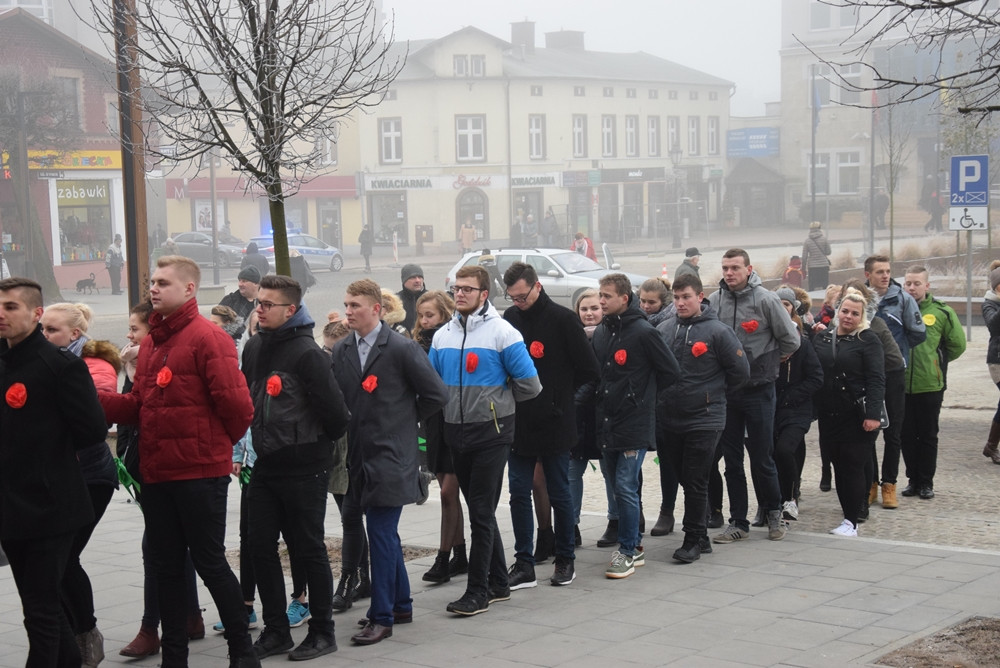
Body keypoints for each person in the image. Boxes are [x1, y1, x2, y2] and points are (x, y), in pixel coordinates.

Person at [97, 256, 260, 668]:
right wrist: (94, 402)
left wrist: (216, 449)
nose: (154, 288)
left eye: (164, 282)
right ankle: (175, 657)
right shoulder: (152, 342)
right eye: (152, 281)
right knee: (166, 567)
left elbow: (239, 408)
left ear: (189, 289)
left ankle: (242, 652)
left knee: (210, 563)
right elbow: (140, 404)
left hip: (200, 475)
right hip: (158, 473)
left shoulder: (209, 338)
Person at [0, 278, 109, 667]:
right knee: (38, 608)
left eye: (11, 307)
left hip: (52, 506)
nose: (2, 314)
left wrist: (45, 454)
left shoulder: (60, 365)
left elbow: (92, 430)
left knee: (43, 610)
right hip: (11, 508)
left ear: (36, 313)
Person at [332, 279, 448, 644]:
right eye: (346, 305)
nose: (348, 311)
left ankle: (381, 617)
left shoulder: (400, 348)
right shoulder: (342, 350)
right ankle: (401, 603)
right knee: (385, 535)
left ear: (376, 310)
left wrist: (402, 420)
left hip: (392, 456)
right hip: (358, 457)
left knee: (381, 533)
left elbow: (435, 394)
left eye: (355, 306)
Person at [241, 274, 350, 661]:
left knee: (307, 549)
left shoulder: (308, 353)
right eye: (258, 302)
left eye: (267, 304)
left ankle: (323, 631)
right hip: (265, 465)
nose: (259, 309)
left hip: (305, 467)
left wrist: (307, 442)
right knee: (258, 547)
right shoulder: (253, 348)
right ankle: (276, 631)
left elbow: (337, 416)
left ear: (291, 309)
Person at [428, 265, 541, 615]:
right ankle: (500, 584)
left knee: (480, 510)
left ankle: (478, 592)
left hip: (492, 435)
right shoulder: (442, 335)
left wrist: (496, 405)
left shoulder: (503, 333)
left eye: (467, 289)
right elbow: (432, 384)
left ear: (483, 294)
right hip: (455, 434)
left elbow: (529, 385)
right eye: (455, 288)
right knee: (481, 511)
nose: (459, 293)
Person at [118, 300, 209, 659]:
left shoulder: (166, 366)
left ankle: (151, 627)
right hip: (146, 470)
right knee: (171, 548)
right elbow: (129, 418)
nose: (128, 336)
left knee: (160, 550)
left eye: (135, 330)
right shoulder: (135, 367)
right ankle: (189, 616)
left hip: (175, 473)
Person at [501, 262, 600, 588]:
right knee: (518, 492)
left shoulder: (562, 319)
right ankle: (524, 562)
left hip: (557, 423)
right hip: (521, 421)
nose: (518, 302)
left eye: (522, 296)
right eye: (512, 297)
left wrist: (565, 403)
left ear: (537, 286)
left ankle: (565, 558)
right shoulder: (511, 320)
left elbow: (590, 372)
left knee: (559, 491)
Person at [40, 303, 122, 667]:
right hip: (57, 477)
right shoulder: (41, 361)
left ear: (75, 334)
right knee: (51, 560)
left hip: (91, 477)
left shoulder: (93, 364)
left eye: (52, 330)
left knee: (63, 557)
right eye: (42, 329)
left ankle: (85, 635)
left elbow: (97, 409)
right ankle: (70, 637)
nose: (44, 336)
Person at [588, 273, 680, 578]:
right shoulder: (602, 330)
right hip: (606, 422)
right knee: (619, 488)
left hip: (633, 424)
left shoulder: (643, 332)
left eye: (607, 296)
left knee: (626, 486)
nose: (601, 301)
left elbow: (670, 372)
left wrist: (641, 399)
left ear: (624, 298)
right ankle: (635, 545)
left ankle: (627, 550)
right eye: (600, 295)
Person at [708, 249, 800, 544]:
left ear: (749, 269)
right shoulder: (714, 301)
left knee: (762, 456)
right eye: (725, 267)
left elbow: (791, 339)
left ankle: (774, 513)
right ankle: (738, 521)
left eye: (735, 267)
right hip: (728, 393)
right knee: (732, 461)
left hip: (760, 390)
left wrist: (770, 362)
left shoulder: (766, 300)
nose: (729, 273)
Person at [657, 273, 749, 562]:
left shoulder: (717, 331)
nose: (681, 303)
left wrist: (713, 396)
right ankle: (702, 535)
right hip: (670, 417)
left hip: (705, 418)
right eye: (677, 298)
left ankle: (693, 538)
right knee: (684, 476)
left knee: (696, 478)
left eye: (686, 297)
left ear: (700, 297)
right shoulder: (665, 328)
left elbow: (740, 373)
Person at [812, 288, 885, 537]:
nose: (848, 317)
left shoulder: (868, 339)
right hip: (830, 413)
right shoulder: (823, 338)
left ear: (862, 316)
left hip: (858, 414)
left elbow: (877, 379)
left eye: (855, 313)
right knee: (837, 465)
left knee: (852, 465)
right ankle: (846, 518)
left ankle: (851, 521)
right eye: (845, 311)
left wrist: (873, 415)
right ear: (837, 311)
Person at [413, 291, 469, 584]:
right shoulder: (416, 343)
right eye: (421, 315)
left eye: (430, 315)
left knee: (448, 492)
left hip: (456, 419)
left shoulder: (450, 339)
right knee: (449, 493)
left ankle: (443, 557)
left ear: (444, 314)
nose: (424, 321)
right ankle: (459, 554)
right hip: (432, 424)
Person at [864, 254, 926, 509]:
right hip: (866, 374)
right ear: (868, 274)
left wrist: (898, 353)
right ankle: (870, 484)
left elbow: (918, 333)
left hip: (894, 373)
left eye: (888, 271)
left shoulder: (903, 299)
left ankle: (889, 483)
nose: (885, 276)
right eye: (879, 272)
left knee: (894, 432)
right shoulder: (861, 299)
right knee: (867, 431)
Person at [901, 266, 966, 499]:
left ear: (927, 286)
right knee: (906, 435)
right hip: (902, 385)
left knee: (927, 435)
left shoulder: (942, 312)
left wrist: (937, 363)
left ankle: (926, 482)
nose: (912, 287)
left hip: (930, 384)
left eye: (917, 283)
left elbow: (957, 344)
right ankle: (912, 479)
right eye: (908, 283)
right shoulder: (896, 310)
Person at [771, 287, 823, 522]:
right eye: (778, 304)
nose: (782, 308)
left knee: (786, 449)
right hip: (772, 407)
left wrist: (792, 396)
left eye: (787, 304)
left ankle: (790, 498)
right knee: (772, 454)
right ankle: (771, 502)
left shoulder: (801, 342)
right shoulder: (767, 340)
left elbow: (816, 377)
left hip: (797, 408)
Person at [637, 277, 677, 537]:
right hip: (642, 402)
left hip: (668, 402)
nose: (646, 306)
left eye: (652, 302)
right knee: (633, 461)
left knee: (670, 461)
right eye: (642, 301)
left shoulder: (671, 324)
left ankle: (668, 510)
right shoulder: (636, 323)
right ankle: (635, 512)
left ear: (664, 302)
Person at [570, 290, 602, 546]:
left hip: (604, 415)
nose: (589, 313)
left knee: (613, 474)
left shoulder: (613, 336)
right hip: (577, 416)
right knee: (572, 472)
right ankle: (571, 525)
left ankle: (618, 520)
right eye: (584, 309)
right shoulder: (572, 337)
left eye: (594, 308)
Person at [983, 265, 1000, 464]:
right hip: (997, 360)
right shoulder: (989, 304)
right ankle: (991, 446)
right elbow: (994, 327)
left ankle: (990, 446)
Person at [219, 265, 261, 343]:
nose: (240, 284)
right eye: (239, 280)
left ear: (255, 283)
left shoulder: (266, 303)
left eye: (244, 281)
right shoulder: (229, 301)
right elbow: (216, 324)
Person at [802, 222, 832, 291]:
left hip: (812, 267)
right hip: (824, 266)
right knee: (825, 287)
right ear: (819, 229)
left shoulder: (807, 241)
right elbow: (828, 252)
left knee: (812, 287)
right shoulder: (824, 239)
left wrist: (803, 269)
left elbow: (804, 257)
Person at [397, 263, 426, 333]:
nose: (417, 280)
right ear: (404, 281)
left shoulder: (431, 298)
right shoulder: (396, 301)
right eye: (412, 277)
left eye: (420, 277)